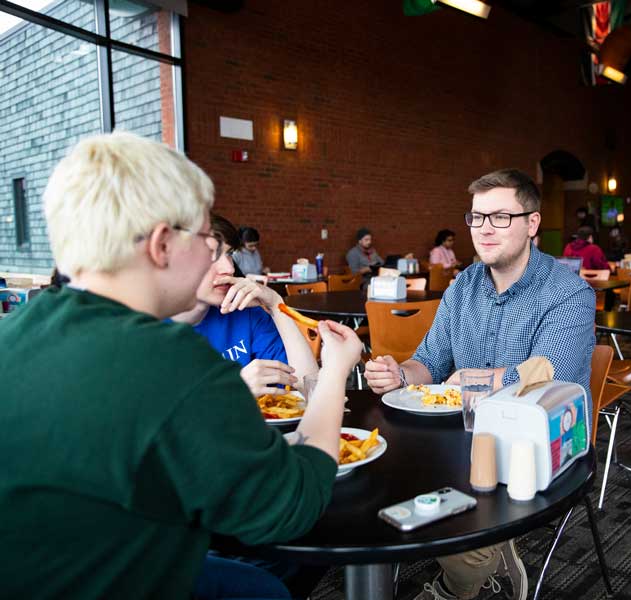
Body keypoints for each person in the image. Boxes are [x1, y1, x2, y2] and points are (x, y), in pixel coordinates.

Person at [0, 132, 364, 599]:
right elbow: (293, 504)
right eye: (206, 240)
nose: (216, 258)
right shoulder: (172, 361)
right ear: (161, 245)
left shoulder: (15, 332)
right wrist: (335, 372)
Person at [364, 168, 595, 600]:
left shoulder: (568, 294)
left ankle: (466, 579)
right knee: (374, 476)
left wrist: (475, 380)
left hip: (536, 442)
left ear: (532, 223)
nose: (485, 229)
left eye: (501, 217)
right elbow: (429, 363)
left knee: (462, 545)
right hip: (462, 438)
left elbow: (554, 381)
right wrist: (400, 373)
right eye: (477, 217)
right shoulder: (462, 286)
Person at [172, 214, 317, 397]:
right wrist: (233, 389)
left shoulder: (245, 312)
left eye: (229, 254)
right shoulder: (144, 330)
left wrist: (275, 303)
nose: (229, 268)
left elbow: (307, 387)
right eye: (211, 255)